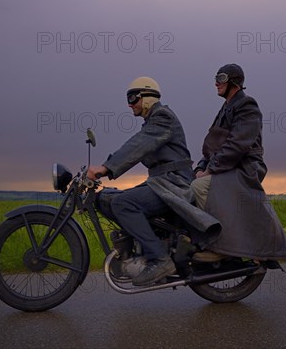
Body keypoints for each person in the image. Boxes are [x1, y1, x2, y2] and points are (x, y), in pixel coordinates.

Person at [87, 77, 220, 286]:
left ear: (147, 97)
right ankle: (135, 250)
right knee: (108, 198)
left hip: (175, 183)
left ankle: (160, 260)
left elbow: (137, 145)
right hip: (162, 181)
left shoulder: (162, 117)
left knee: (124, 203)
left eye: (133, 98)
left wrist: (106, 168)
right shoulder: (153, 121)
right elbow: (140, 144)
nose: (129, 104)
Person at [191, 64, 286, 262]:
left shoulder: (247, 105)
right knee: (186, 186)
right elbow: (211, 146)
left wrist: (210, 169)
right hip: (227, 165)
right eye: (216, 78)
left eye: (221, 78)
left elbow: (237, 144)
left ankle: (223, 244)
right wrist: (200, 167)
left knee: (199, 187)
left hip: (244, 167)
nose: (216, 83)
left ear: (234, 82)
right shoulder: (225, 109)